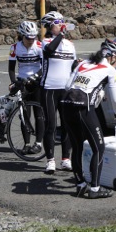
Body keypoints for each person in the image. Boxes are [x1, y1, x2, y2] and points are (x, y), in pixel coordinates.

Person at [62, 40, 116, 199]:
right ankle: (95, 189)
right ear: (113, 57)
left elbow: (68, 85)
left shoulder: (83, 63)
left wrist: (97, 92)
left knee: (77, 147)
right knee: (99, 148)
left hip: (66, 104)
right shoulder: (109, 69)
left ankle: (81, 185)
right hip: (83, 108)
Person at [39, 11, 75, 174]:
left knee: (68, 125)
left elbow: (73, 66)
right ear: (48, 26)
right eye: (56, 23)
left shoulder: (70, 44)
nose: (60, 25)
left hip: (66, 89)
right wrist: (61, 35)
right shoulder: (45, 42)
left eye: (62, 22)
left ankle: (66, 159)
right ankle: (50, 160)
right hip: (49, 89)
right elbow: (49, 52)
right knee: (51, 125)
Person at [7, 20, 45, 155]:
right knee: (24, 114)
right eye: (28, 38)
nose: (31, 40)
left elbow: (44, 67)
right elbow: (11, 69)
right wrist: (14, 82)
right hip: (22, 83)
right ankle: (27, 144)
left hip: (37, 83)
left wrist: (34, 78)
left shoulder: (40, 46)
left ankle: (38, 143)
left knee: (39, 113)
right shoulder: (15, 48)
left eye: (33, 37)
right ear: (22, 35)